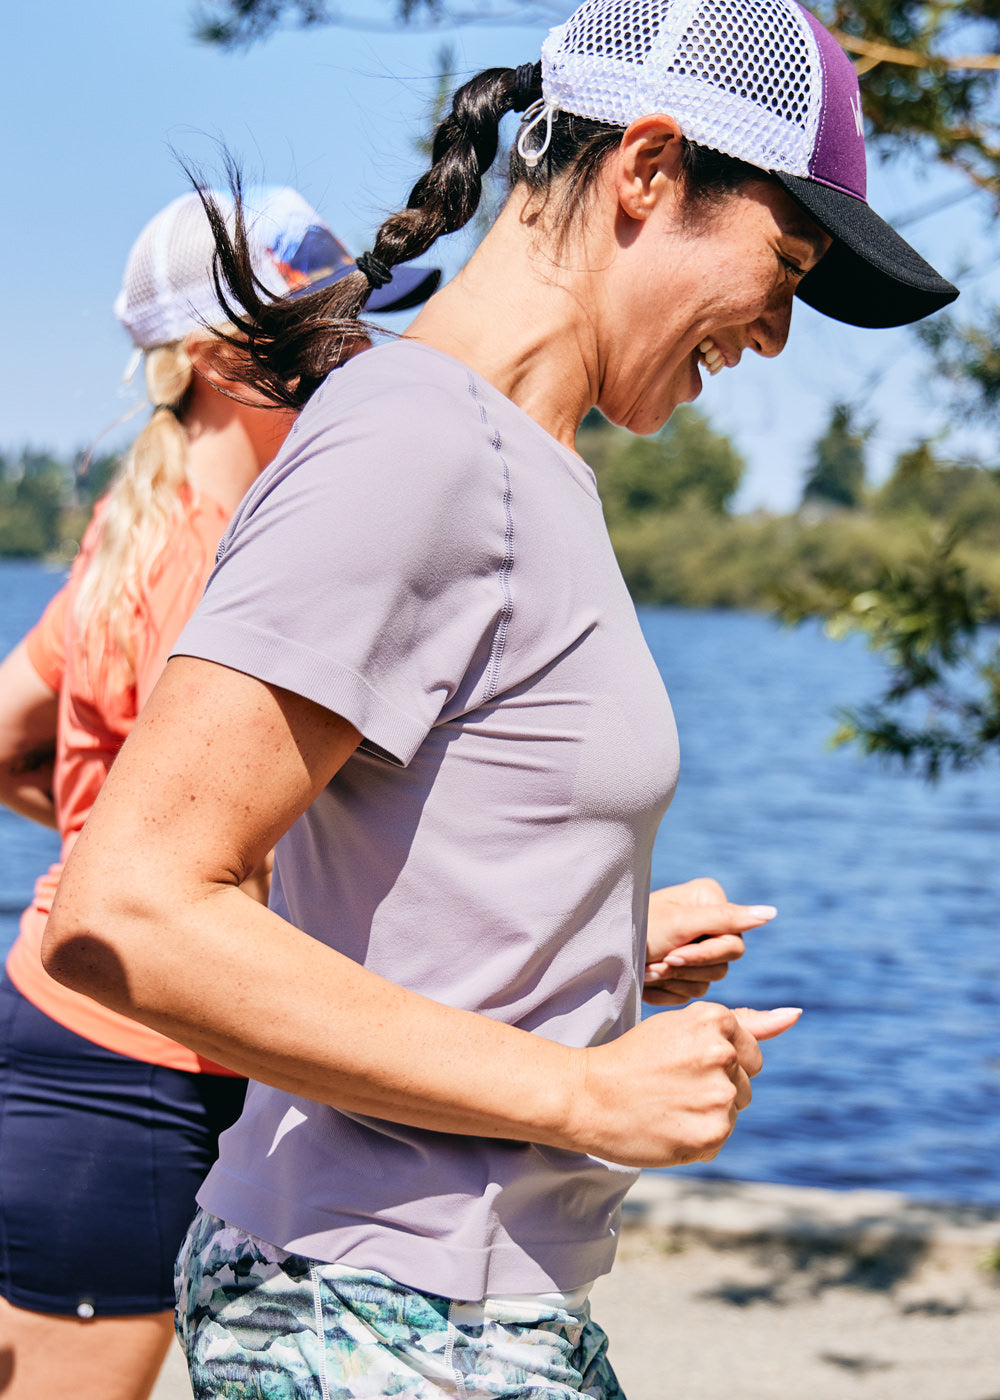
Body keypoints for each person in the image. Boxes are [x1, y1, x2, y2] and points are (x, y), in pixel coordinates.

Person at [44, 0, 958, 1395]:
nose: (777, 333)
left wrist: (579, 953)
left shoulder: (521, 457)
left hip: (460, 1309)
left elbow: (355, 860)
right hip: (384, 1311)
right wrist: (582, 1088)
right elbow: (134, 912)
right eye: (786, 265)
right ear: (646, 172)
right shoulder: (419, 436)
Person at [0, 185, 440, 1400]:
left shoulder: (132, 532)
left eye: (356, 331)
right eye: (315, 338)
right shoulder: (223, 566)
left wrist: (101, 844)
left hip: (85, 1023)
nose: (352, 361)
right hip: (132, 1067)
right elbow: (227, 880)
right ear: (209, 361)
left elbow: (8, 741)